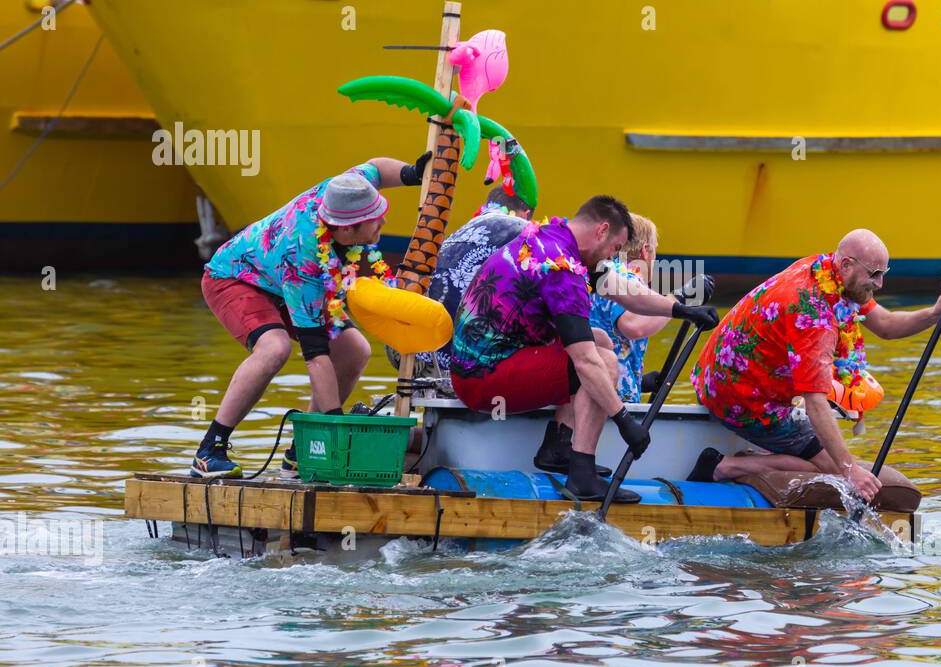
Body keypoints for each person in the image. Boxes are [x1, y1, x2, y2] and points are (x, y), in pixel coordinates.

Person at [448, 196, 718, 504]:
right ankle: (582, 474)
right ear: (602, 231)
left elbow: (627, 293)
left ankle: (559, 446)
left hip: (483, 363)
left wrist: (681, 309)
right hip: (483, 380)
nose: (614, 258)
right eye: (616, 249)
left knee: (601, 338)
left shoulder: (554, 237)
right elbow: (585, 362)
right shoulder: (563, 273)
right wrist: (626, 421)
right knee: (601, 358)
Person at [191, 154, 430, 478]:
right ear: (348, 229)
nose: (383, 223)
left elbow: (375, 167)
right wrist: (335, 424)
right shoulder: (304, 261)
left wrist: (413, 173)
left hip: (279, 276)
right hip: (235, 278)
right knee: (275, 348)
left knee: (354, 350)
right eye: (375, 219)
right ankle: (210, 450)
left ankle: (301, 453)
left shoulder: (347, 190)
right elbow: (316, 357)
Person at [687, 229, 941, 503]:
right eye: (874, 274)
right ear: (846, 264)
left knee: (833, 451)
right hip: (739, 398)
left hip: (719, 376)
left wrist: (934, 314)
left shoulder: (824, 268)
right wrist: (849, 470)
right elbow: (815, 403)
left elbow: (886, 326)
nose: (880, 284)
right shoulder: (813, 317)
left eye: (883, 273)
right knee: (833, 469)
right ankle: (724, 466)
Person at [386, 184, 535, 380]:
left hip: (404, 346)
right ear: (525, 213)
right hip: (448, 354)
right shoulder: (519, 227)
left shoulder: (464, 231)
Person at [587, 213, 714, 402]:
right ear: (645, 251)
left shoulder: (598, 275)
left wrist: (640, 383)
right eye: (655, 251)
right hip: (611, 402)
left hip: (590, 386)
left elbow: (612, 334)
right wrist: (680, 297)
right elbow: (633, 325)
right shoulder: (624, 277)